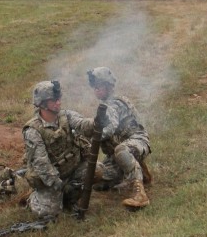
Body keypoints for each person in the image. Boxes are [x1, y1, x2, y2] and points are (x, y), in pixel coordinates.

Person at [22, 80, 98, 219]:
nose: (58, 102)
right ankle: (34, 199)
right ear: (42, 104)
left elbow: (82, 124)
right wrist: (60, 185)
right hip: (52, 178)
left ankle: (69, 197)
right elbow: (42, 165)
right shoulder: (33, 131)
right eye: (53, 100)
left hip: (73, 168)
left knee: (98, 171)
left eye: (59, 98)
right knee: (49, 213)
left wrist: (96, 122)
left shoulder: (66, 116)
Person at [87, 67, 151, 209]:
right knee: (99, 176)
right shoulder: (104, 105)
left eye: (99, 86)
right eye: (94, 87)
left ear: (109, 86)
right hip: (118, 152)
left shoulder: (114, 104)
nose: (96, 90)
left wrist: (93, 137)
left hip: (137, 141)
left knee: (122, 150)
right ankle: (138, 170)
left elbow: (111, 126)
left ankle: (140, 194)